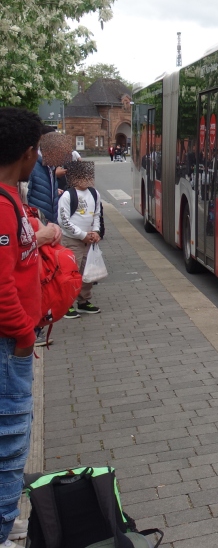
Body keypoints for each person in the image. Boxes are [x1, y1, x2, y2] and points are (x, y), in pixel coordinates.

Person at [0, 108, 60, 545]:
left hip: (13, 346)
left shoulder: (9, 200)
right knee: (9, 446)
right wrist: (23, 335)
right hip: (9, 350)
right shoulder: (2, 207)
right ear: (27, 153)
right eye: (37, 150)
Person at [57, 160, 103, 318]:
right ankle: (67, 304)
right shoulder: (68, 195)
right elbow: (63, 221)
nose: (85, 180)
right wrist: (82, 235)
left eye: (87, 177)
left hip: (89, 240)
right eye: (81, 177)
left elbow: (97, 214)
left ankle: (83, 301)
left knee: (87, 272)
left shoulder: (94, 193)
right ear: (74, 178)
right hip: (72, 240)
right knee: (71, 272)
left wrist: (96, 231)